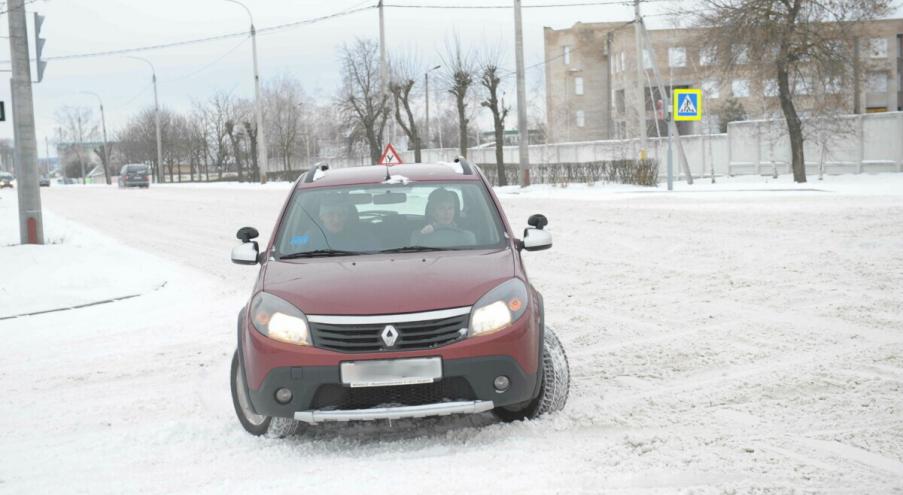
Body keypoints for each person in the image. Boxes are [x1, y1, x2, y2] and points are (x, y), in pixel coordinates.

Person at [411, 188, 476, 247]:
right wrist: (423, 235)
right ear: (432, 212)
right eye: (441, 208)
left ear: (455, 211)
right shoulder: (418, 235)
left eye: (450, 208)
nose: (447, 213)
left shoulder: (466, 235)